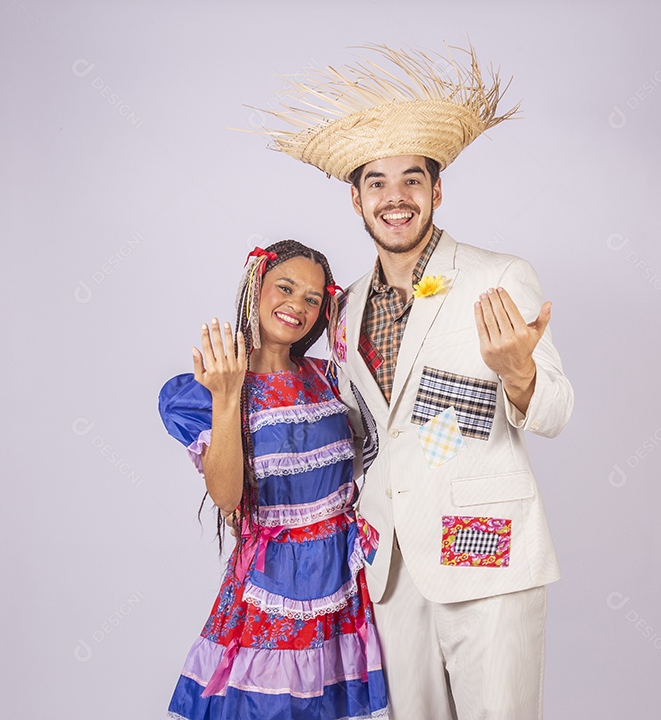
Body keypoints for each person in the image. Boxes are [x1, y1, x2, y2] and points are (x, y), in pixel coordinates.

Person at [251, 45, 575, 719]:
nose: (394, 198)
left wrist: (519, 375)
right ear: (356, 197)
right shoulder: (341, 309)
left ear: (436, 190)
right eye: (377, 183)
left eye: (411, 181)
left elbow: (555, 410)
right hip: (388, 566)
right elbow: (357, 432)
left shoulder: (497, 276)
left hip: (485, 551)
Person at [158, 239, 389, 719]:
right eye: (285, 288)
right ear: (255, 286)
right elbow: (226, 498)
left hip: (346, 575)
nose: (297, 306)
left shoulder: (330, 378)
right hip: (276, 582)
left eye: (312, 299)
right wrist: (226, 397)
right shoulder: (212, 389)